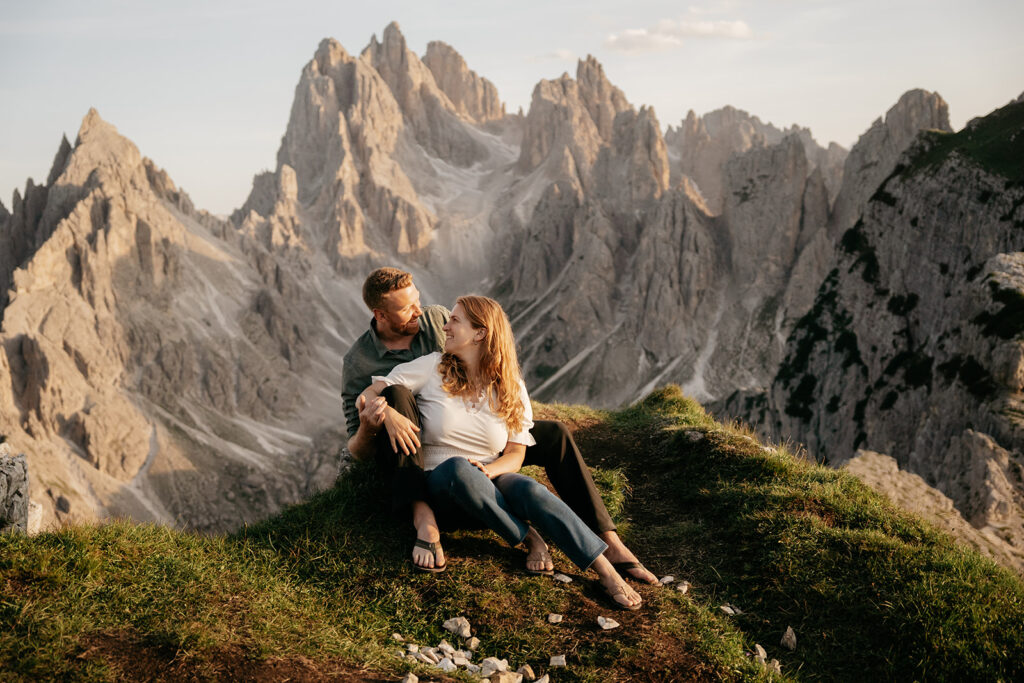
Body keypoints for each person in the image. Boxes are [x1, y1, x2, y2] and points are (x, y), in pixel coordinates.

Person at [342, 267, 656, 584]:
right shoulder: (365, 363)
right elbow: (359, 437)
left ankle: (608, 546)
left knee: (553, 438)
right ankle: (425, 516)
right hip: (415, 445)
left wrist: (491, 470)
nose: (422, 314)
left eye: (418, 302)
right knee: (398, 396)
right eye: (407, 309)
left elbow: (513, 437)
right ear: (381, 315)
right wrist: (384, 413)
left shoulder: (438, 323)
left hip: (469, 436)